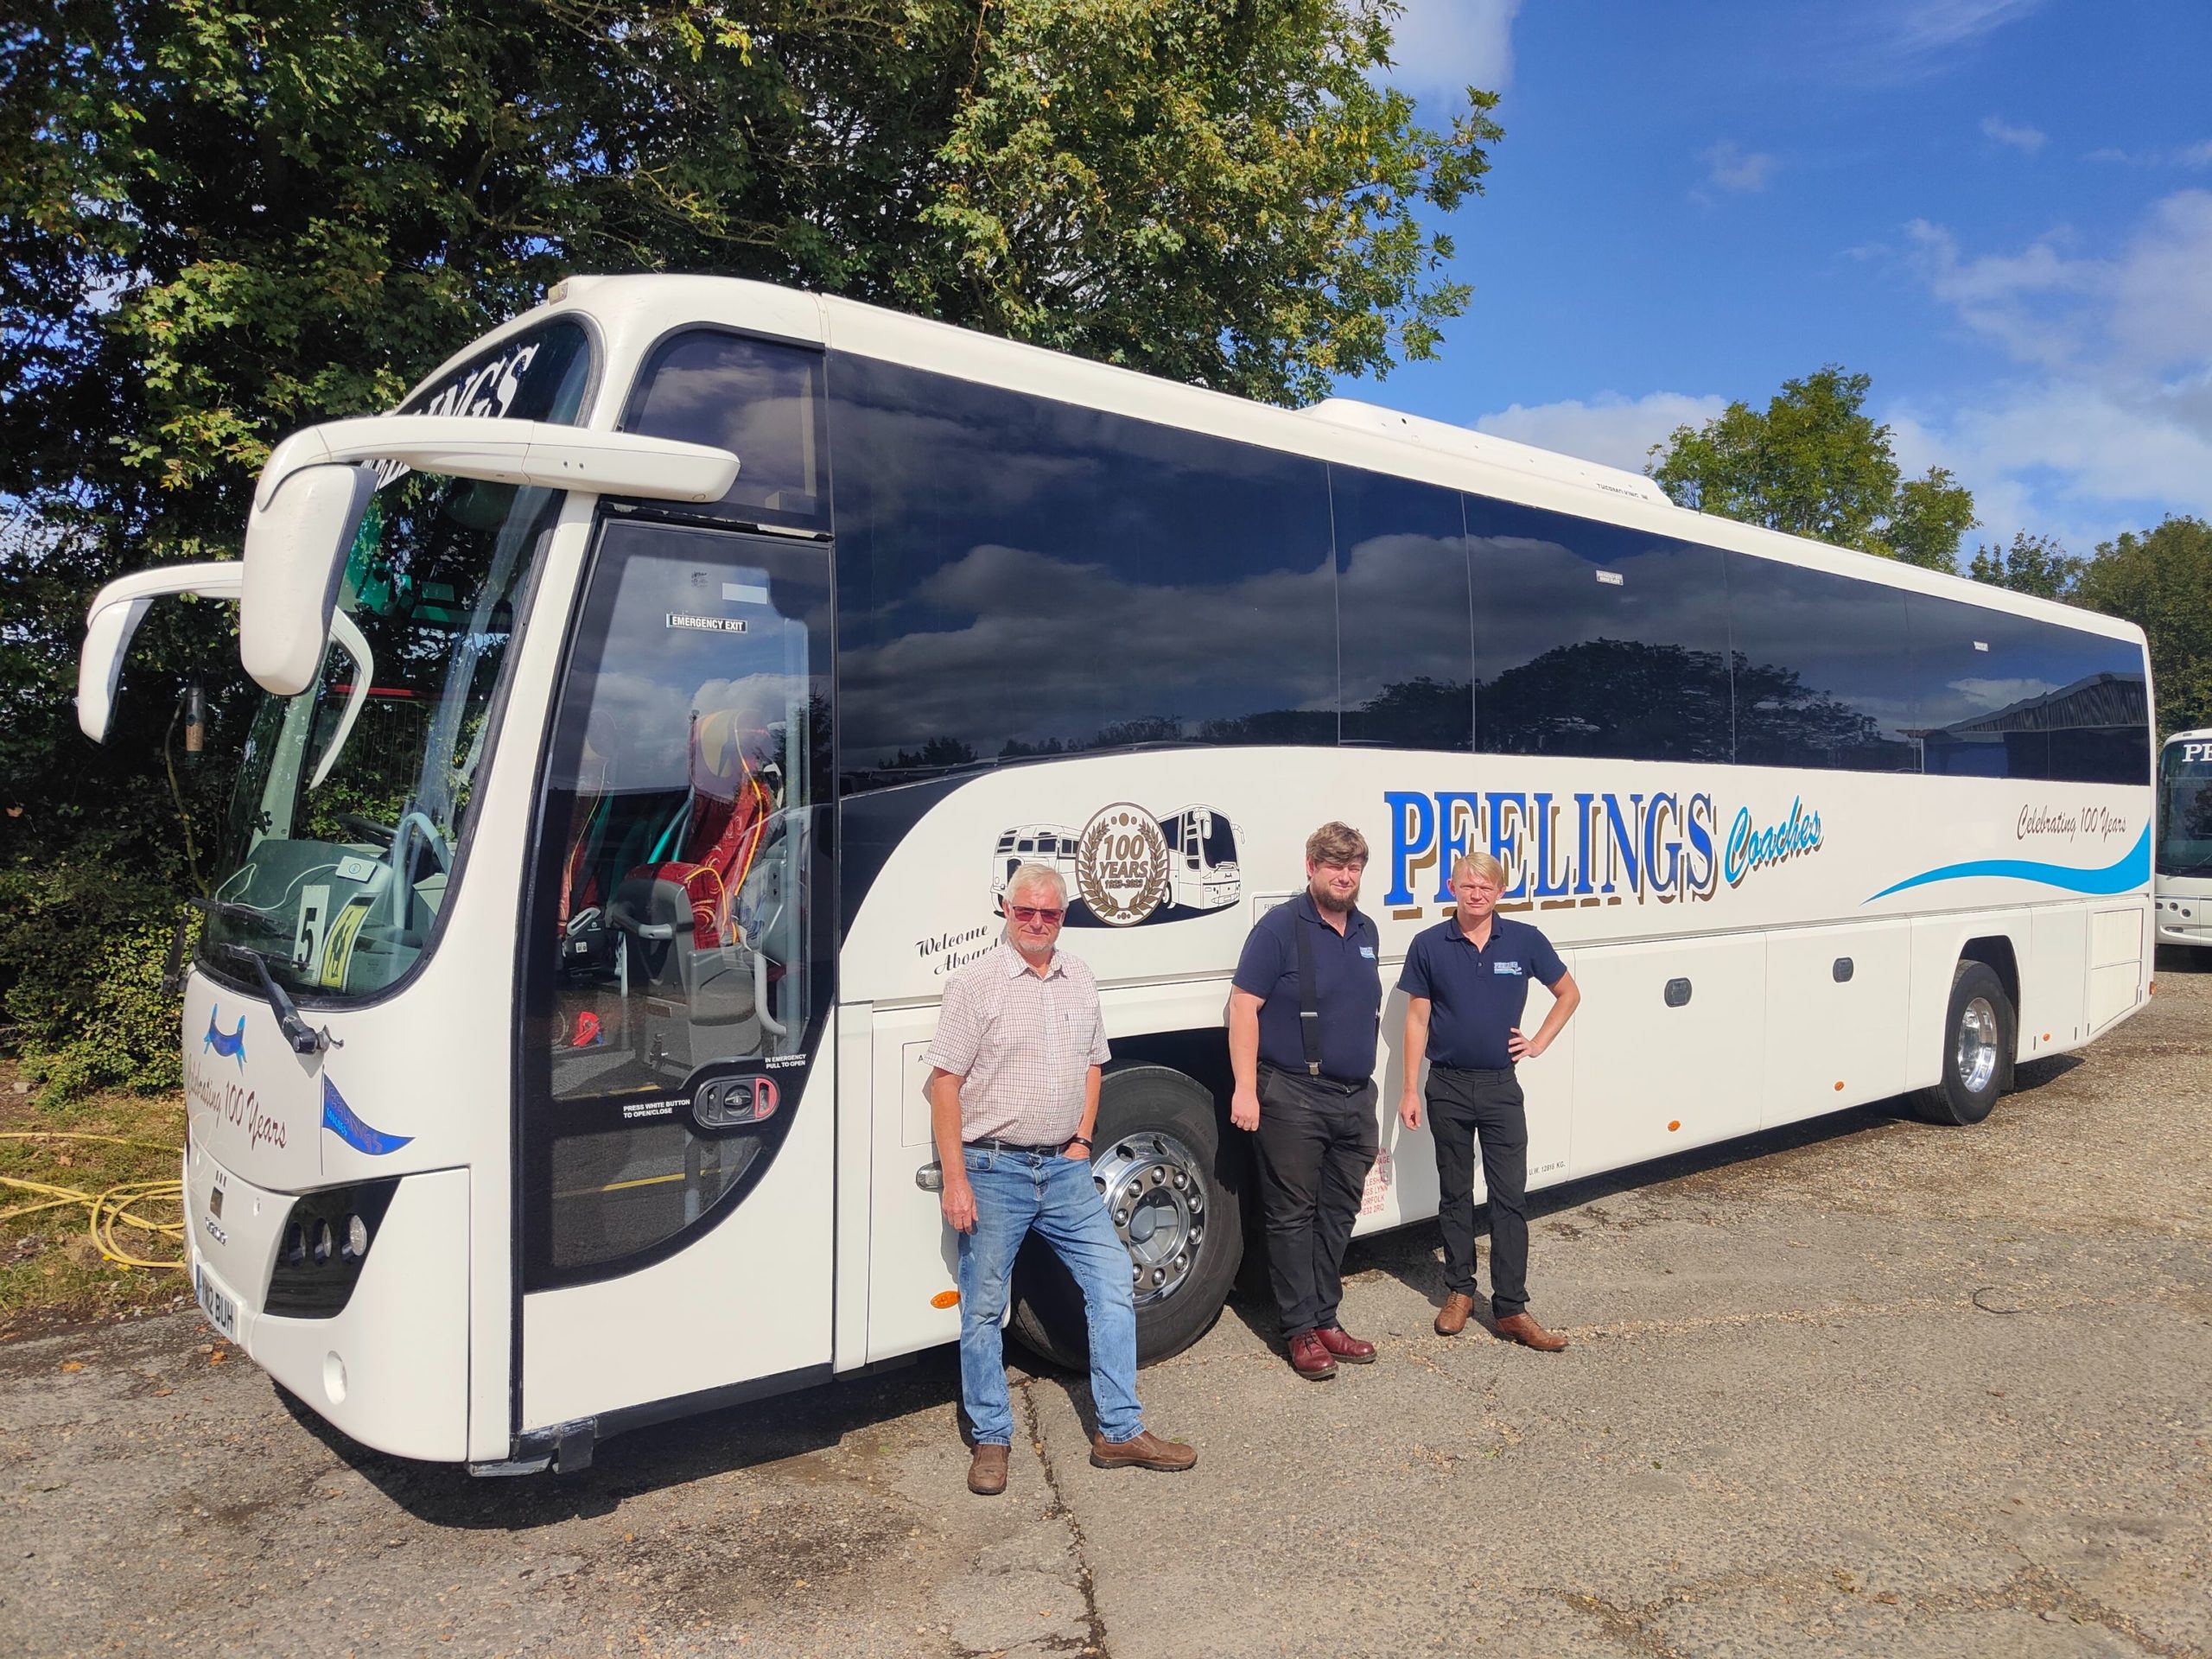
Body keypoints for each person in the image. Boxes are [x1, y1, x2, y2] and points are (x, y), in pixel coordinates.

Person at [925, 863, 1198, 1497]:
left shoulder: (1080, 978)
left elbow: (1095, 1064)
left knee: (1111, 1286)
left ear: (1063, 917)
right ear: (1005, 909)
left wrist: (1082, 1139)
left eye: (1050, 914)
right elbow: (945, 1085)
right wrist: (956, 1180)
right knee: (985, 1310)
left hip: (1066, 1170)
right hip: (994, 1170)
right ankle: (992, 1438)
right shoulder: (976, 984)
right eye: (1027, 912)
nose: (1038, 924)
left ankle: (1120, 1430)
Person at [1397, 851, 1582, 1351]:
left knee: (1509, 1198)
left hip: (1501, 1086)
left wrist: (1538, 1041)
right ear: (1450, 888)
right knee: (1455, 1194)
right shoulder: (1429, 945)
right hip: (1448, 1087)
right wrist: (1411, 1088)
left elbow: (1568, 993)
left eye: (1486, 887)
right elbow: (1416, 1020)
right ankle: (1459, 1292)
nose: (1476, 895)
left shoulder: (1523, 941)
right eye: (1466, 886)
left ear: (1500, 892)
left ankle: (1511, 1309)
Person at [1229, 822, 1384, 1380]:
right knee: (1292, 1217)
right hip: (1293, 1095)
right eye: (1333, 864)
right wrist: (1245, 1088)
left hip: (1353, 1099)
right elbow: (1243, 1007)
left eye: (1354, 866)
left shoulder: (1366, 929)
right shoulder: (1278, 929)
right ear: (1311, 866)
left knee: (1339, 1214)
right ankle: (1298, 1331)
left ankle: (1326, 1318)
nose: (1344, 875)